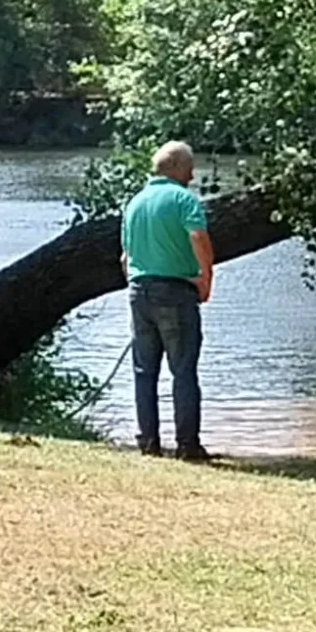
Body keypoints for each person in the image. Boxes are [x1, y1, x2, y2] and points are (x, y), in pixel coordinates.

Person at [120, 141, 215, 461]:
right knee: (183, 370)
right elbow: (198, 236)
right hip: (176, 292)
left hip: (139, 290)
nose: (192, 175)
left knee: (144, 371)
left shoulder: (134, 203)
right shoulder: (183, 199)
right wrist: (206, 278)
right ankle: (187, 445)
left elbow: (125, 257)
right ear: (174, 167)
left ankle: (148, 442)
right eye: (189, 168)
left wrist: (136, 284)